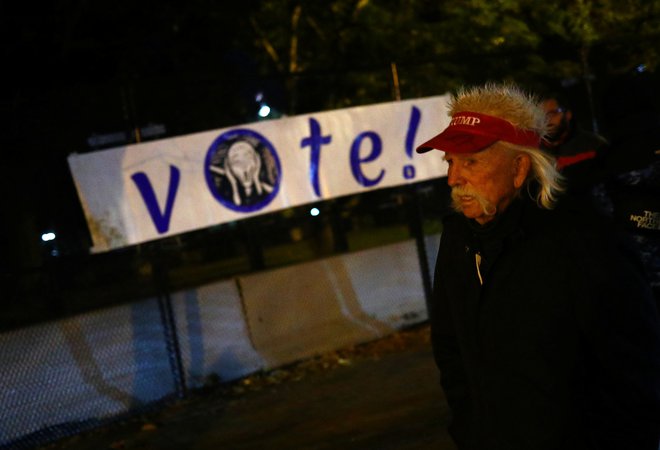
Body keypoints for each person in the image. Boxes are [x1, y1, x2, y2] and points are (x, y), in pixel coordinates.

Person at [415, 82, 660, 450]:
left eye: (471, 161)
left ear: (519, 167)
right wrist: (469, 430)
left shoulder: (585, 244)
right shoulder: (459, 241)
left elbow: (632, 373)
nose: (453, 179)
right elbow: (451, 352)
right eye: (449, 162)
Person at [540, 92, 610, 200]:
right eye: (541, 115)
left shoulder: (593, 145)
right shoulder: (534, 151)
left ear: (567, 115)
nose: (547, 120)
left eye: (553, 113)